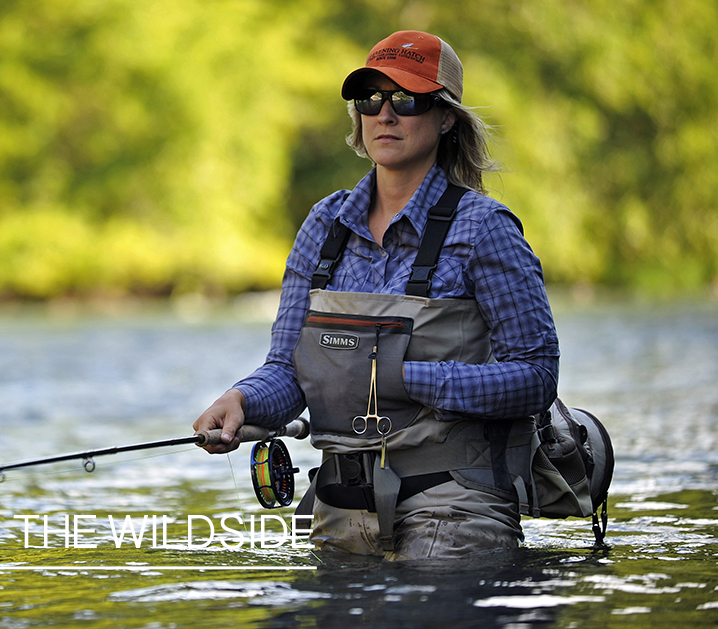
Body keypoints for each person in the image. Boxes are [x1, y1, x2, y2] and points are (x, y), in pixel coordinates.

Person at [193, 30, 560, 560]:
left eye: (406, 99)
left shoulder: (485, 228)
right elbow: (290, 369)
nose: (385, 114)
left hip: (453, 507)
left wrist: (403, 378)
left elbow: (537, 376)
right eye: (371, 99)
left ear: (446, 117)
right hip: (338, 507)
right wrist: (242, 400)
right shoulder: (325, 223)